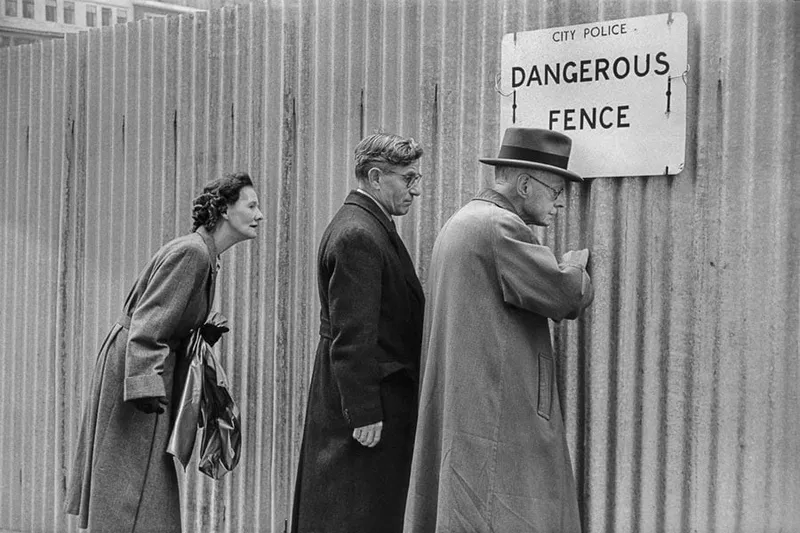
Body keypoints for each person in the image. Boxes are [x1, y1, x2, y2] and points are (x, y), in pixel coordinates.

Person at [403, 128, 595, 532]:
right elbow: (565, 296)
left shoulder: (461, 222)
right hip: (494, 408)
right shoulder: (499, 228)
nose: (560, 203)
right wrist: (575, 266)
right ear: (525, 184)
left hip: (470, 402)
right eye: (556, 190)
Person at [64, 172, 263, 532]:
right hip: (142, 373)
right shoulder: (193, 253)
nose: (259, 214)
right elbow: (148, 321)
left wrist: (199, 332)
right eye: (251, 205)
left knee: (141, 480)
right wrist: (142, 386)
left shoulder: (205, 253)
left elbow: (166, 315)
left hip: (149, 368)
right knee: (131, 483)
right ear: (223, 211)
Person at [291, 133, 425, 533]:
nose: (415, 190)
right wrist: (364, 413)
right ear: (376, 176)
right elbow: (353, 334)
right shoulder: (358, 235)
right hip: (368, 405)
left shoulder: (368, 225)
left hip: (370, 396)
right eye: (408, 178)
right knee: (353, 509)